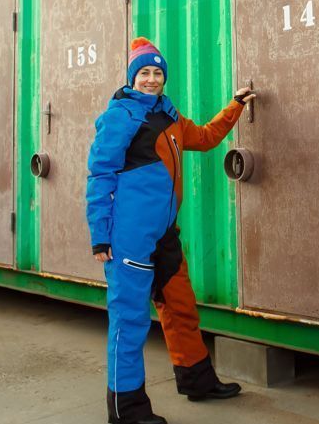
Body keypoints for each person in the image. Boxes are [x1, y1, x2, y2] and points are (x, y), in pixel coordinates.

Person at [87, 37, 257, 424]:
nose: (151, 79)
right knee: (129, 320)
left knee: (180, 307)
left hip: (164, 234)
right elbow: (100, 174)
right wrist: (100, 234)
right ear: (132, 76)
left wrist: (235, 105)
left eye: (157, 72)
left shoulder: (170, 116)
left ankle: (197, 381)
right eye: (144, 72)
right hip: (128, 238)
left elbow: (206, 137)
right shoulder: (122, 115)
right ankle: (125, 410)